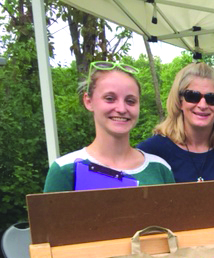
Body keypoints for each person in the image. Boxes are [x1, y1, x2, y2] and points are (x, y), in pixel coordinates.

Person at [44, 61, 174, 192]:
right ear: (88, 101)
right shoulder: (65, 169)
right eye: (110, 98)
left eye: (130, 101)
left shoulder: (159, 168)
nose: (121, 109)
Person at [137, 62, 214, 182]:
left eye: (212, 98)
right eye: (192, 96)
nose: (202, 105)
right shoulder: (151, 152)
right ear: (180, 101)